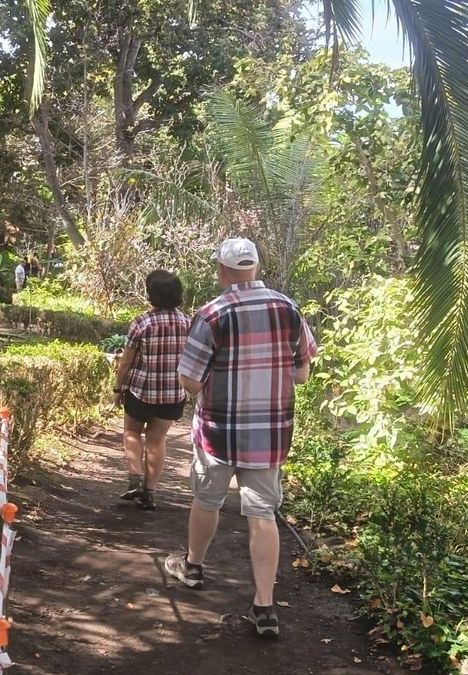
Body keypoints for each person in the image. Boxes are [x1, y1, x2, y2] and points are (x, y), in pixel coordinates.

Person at [163, 237, 316, 639]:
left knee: (207, 499)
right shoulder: (289, 308)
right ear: (256, 268)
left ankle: (193, 567)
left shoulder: (212, 314)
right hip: (270, 432)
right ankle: (264, 607)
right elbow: (302, 371)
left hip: (218, 431)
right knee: (262, 514)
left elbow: (191, 382)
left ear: (222, 270)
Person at [113, 269, 191, 511]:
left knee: (132, 433)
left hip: (141, 390)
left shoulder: (142, 322)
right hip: (173, 393)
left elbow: (126, 361)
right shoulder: (188, 323)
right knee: (157, 439)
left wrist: (118, 388)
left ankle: (134, 478)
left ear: (151, 294)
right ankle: (150, 493)